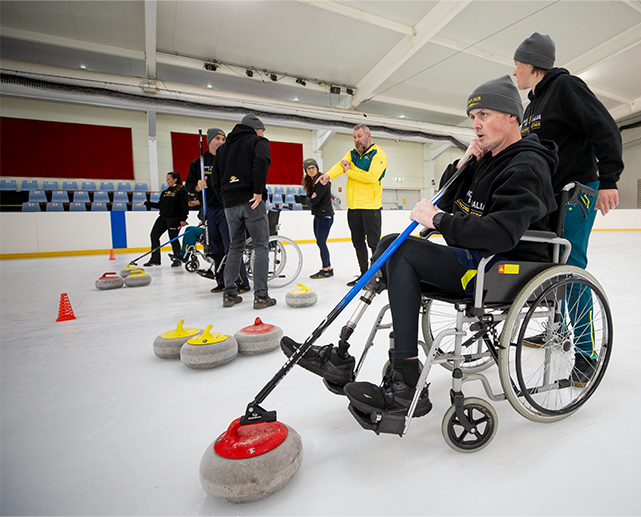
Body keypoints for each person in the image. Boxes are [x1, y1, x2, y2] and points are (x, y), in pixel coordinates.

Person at [284, 76, 558, 420]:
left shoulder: (527, 165)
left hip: (499, 268)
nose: (475, 125)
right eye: (473, 116)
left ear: (512, 117)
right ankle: (341, 352)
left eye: (484, 115)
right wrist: (464, 164)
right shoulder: (487, 158)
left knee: (401, 252)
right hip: (474, 257)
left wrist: (439, 221)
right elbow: (451, 194)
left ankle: (407, 378)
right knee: (389, 245)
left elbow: (501, 233)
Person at [512, 32, 624, 384]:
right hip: (548, 195)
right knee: (549, 263)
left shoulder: (567, 88)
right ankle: (556, 328)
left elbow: (605, 128)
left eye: (517, 64)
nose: (514, 72)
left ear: (531, 64)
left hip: (579, 190)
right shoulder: (532, 106)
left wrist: (608, 179)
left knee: (571, 265)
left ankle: (588, 353)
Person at [211, 114, 276, 309]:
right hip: (251, 200)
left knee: (235, 246)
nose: (263, 134)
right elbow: (262, 160)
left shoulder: (223, 149)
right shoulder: (258, 141)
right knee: (261, 245)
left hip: (230, 203)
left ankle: (229, 294)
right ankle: (261, 296)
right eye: (262, 130)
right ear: (256, 129)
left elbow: (215, 178)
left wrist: (225, 198)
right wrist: (257, 190)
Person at [316, 125, 386, 286]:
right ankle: (364, 275)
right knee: (358, 242)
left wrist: (350, 171)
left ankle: (379, 276)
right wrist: (327, 175)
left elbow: (371, 177)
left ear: (368, 135)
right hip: (354, 208)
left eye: (360, 136)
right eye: (354, 137)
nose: (357, 140)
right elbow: (341, 165)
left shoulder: (378, 154)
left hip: (371, 207)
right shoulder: (352, 154)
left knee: (374, 244)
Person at [184, 128, 250, 295]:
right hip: (209, 210)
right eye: (217, 138)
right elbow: (188, 186)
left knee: (232, 247)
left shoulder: (229, 160)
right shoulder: (198, 163)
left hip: (227, 208)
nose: (221, 141)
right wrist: (197, 186)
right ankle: (222, 281)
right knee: (215, 248)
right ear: (209, 141)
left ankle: (241, 282)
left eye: (223, 139)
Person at [142, 172, 189, 267]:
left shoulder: (181, 191)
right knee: (154, 235)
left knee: (173, 238)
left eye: (168, 179)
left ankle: (177, 259)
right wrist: (147, 203)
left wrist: (183, 219)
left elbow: (184, 206)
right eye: (166, 179)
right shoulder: (165, 192)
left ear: (175, 179)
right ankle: (155, 259)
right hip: (163, 217)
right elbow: (160, 205)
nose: (167, 181)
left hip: (175, 218)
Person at [302, 158, 335, 279]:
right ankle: (328, 268)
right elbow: (310, 199)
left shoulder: (322, 182)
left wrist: (311, 198)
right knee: (320, 242)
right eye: (308, 168)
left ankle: (326, 269)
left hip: (325, 216)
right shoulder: (310, 183)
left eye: (313, 168)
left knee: (321, 242)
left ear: (317, 168)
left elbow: (314, 200)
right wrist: (311, 198)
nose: (311, 170)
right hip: (318, 215)